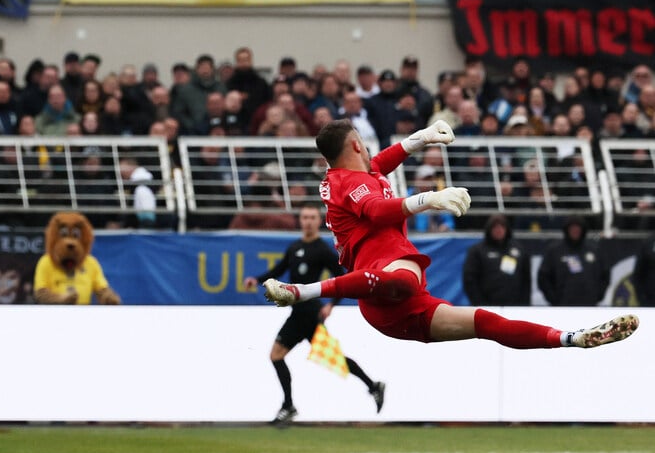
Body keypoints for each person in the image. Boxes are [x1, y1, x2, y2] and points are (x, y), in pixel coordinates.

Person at [262, 118, 638, 351]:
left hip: (400, 312)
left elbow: (380, 164)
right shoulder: (352, 182)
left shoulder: (354, 174)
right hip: (385, 276)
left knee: (486, 323)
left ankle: (571, 338)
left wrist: (420, 138)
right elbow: (376, 210)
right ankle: (302, 291)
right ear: (356, 145)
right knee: (406, 277)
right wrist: (431, 198)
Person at [244, 204, 385, 423]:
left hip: (307, 312)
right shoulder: (295, 247)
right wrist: (257, 279)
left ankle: (288, 406)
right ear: (300, 221)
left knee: (276, 355)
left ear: (318, 221)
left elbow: (342, 279)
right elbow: (278, 271)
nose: (308, 221)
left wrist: (331, 305)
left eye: (312, 217)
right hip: (306, 313)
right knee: (334, 357)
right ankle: (372, 385)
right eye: (304, 217)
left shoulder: (322, 250)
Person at [537, 215, 610, 306]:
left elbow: (605, 275)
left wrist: (598, 295)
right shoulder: (555, 250)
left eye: (578, 228)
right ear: (567, 230)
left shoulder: (594, 250)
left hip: (589, 305)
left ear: (583, 230)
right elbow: (543, 277)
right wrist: (553, 298)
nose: (575, 231)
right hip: (561, 306)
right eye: (572, 228)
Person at [462, 213, 531, 306]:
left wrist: (524, 304)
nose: (499, 230)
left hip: (515, 306)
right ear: (489, 229)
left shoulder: (519, 249)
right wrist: (480, 303)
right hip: (486, 306)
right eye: (495, 227)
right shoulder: (477, 251)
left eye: (502, 227)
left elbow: (526, 279)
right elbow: (469, 279)